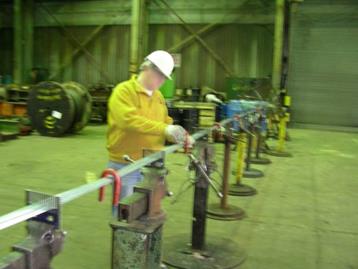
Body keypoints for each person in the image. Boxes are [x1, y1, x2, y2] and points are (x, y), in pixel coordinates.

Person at [107, 50, 194, 199]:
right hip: (126, 163)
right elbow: (128, 121)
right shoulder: (124, 91)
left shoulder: (158, 96)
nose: (162, 81)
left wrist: (181, 136)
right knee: (126, 214)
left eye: (165, 78)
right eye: (159, 75)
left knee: (149, 209)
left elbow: (165, 121)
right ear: (146, 68)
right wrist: (165, 129)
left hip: (153, 163)